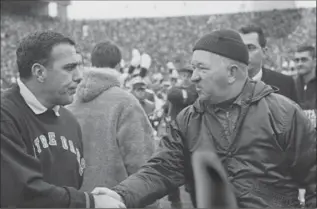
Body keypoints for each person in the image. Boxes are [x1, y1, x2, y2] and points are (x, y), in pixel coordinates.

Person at [91, 29, 316, 208]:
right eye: (193, 68)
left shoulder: (283, 113)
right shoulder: (189, 119)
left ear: (232, 72)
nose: (194, 76)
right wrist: (120, 194)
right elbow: (161, 169)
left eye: (202, 68)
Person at [0, 31, 125, 208]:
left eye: (80, 66)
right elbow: (23, 193)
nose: (79, 75)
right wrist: (90, 202)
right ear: (39, 72)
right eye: (69, 68)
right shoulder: (6, 116)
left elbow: (71, 186)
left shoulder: (70, 121)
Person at [66, 41, 160, 208]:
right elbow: (141, 161)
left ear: (92, 64)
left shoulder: (68, 101)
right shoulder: (126, 102)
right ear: (118, 65)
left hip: (76, 199)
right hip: (114, 200)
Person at [164, 65, 199, 208]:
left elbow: (189, 96)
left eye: (187, 76)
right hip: (175, 134)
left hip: (191, 135)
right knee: (171, 167)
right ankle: (175, 201)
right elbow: (171, 95)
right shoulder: (176, 89)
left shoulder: (196, 90)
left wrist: (183, 94)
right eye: (182, 75)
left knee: (192, 171)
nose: (184, 78)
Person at [239, 25, 299, 103]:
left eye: (250, 48)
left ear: (264, 52)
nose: (244, 53)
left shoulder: (284, 83)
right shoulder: (227, 84)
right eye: (240, 48)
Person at [293, 45, 316, 111]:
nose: (299, 64)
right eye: (297, 60)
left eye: (304, 59)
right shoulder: (292, 84)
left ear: (314, 62)